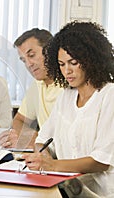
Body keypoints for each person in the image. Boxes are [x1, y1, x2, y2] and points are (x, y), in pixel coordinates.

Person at [22, 21, 114, 197]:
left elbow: (101, 161)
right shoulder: (67, 96)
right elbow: (42, 140)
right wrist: (43, 156)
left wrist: (53, 166)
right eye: (62, 64)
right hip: (68, 188)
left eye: (73, 63)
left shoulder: (109, 95)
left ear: (91, 60)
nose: (67, 71)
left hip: (100, 193)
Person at [0, 28, 63, 149]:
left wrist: (37, 141)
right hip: (43, 154)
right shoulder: (38, 84)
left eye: (31, 55)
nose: (28, 64)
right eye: (23, 60)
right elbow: (19, 120)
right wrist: (29, 136)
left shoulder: (70, 85)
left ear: (50, 51)